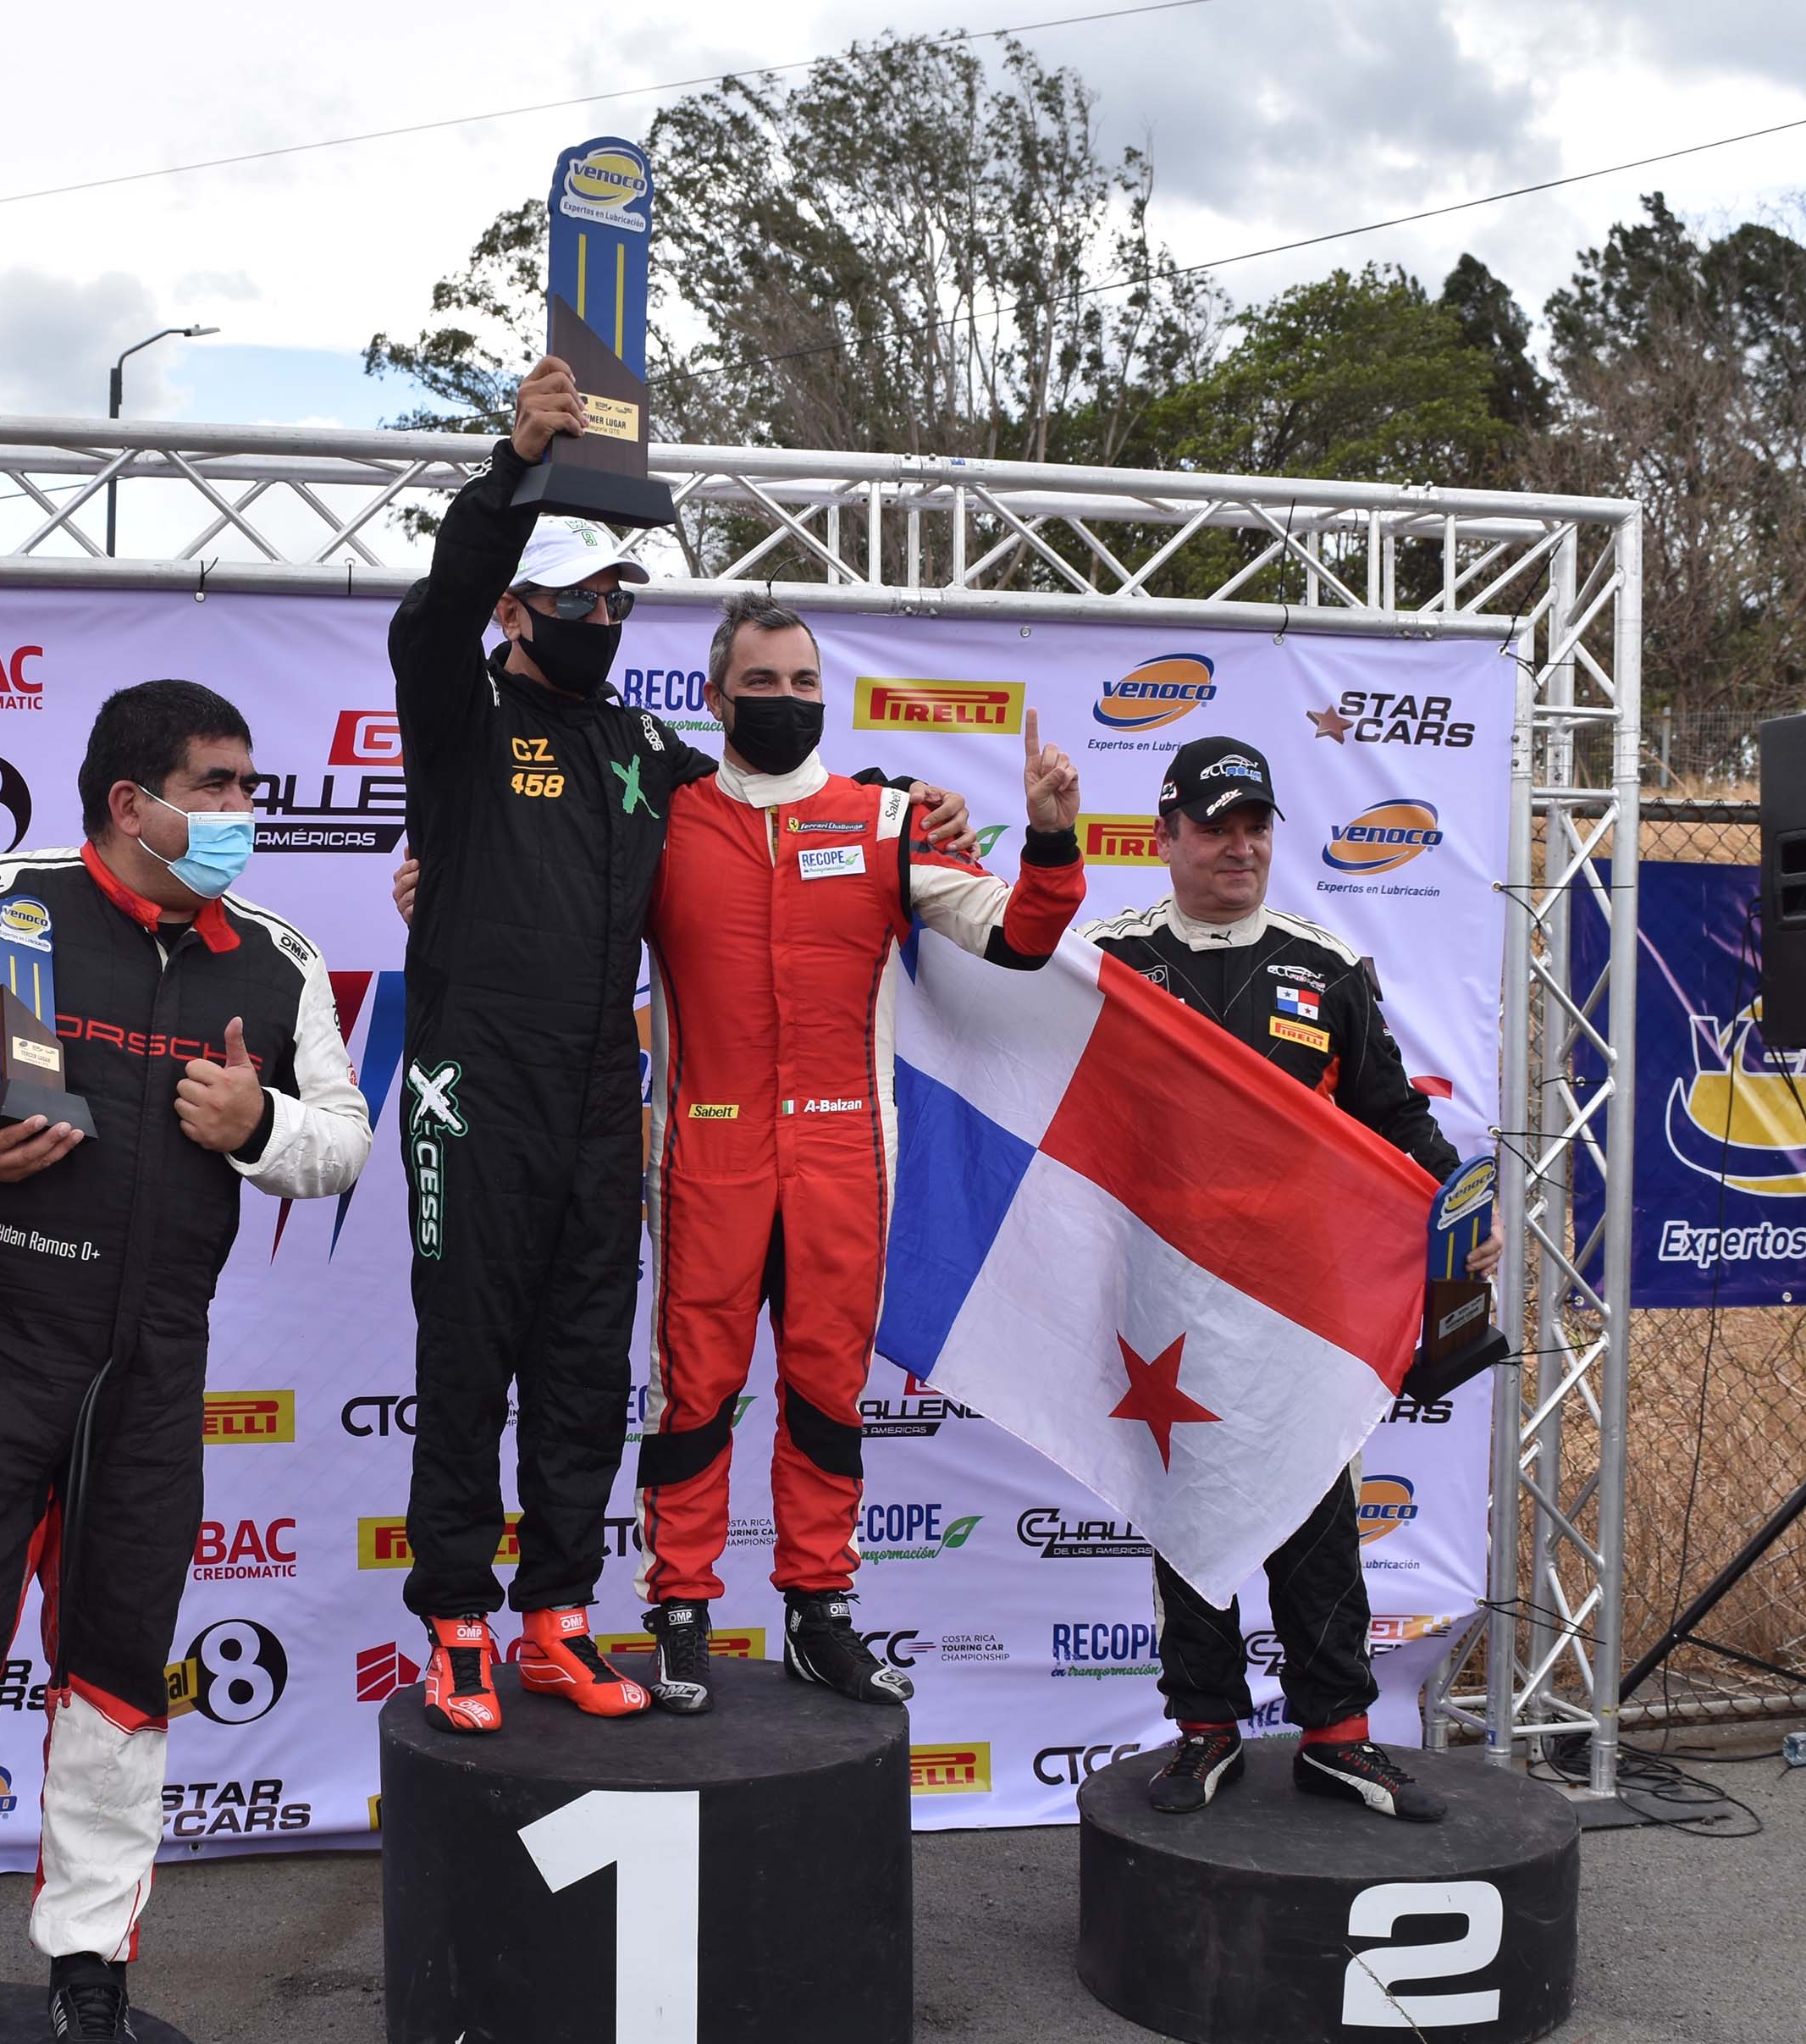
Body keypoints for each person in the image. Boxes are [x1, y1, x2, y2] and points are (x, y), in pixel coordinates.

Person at [0, 679, 372, 2044]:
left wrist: (262, 1125)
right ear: (130, 802)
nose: (244, 815)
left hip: (152, 1365)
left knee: (121, 1679)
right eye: (220, 786)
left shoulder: (278, 956)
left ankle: (90, 1968)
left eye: (251, 788)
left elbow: (346, 1140)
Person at [633, 592, 1086, 1712]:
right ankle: (681, 1608)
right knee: (697, 1394)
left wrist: (1052, 833)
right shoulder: (663, 818)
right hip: (705, 1155)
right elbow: (545, 920)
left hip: (846, 1159)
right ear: (711, 696)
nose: (784, 702)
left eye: (801, 684)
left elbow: (1021, 937)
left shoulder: (884, 822)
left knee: (829, 1394)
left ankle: (819, 1613)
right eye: (760, 683)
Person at [381, 351, 721, 1734]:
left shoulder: (648, 747)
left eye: (617, 595)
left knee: (588, 1366)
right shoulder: (463, 716)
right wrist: (514, 474)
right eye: (575, 595)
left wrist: (894, 817)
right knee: (468, 1361)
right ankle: (456, 1616)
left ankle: (558, 1620)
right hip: (472, 1096)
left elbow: (771, 817)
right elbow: (434, 615)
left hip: (599, 1104)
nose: (601, 614)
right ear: (520, 605)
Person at [1085, 734, 1486, 1824]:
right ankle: (1203, 1731)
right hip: (1161, 1301)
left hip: (1295, 1305)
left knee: (1314, 1520)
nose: (1239, 845)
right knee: (1189, 1518)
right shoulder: (1107, 959)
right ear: (1164, 836)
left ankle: (1339, 1738)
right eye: (1215, 825)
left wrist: (1461, 1217)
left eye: (1256, 824)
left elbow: (1396, 1120)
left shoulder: (1326, 964)